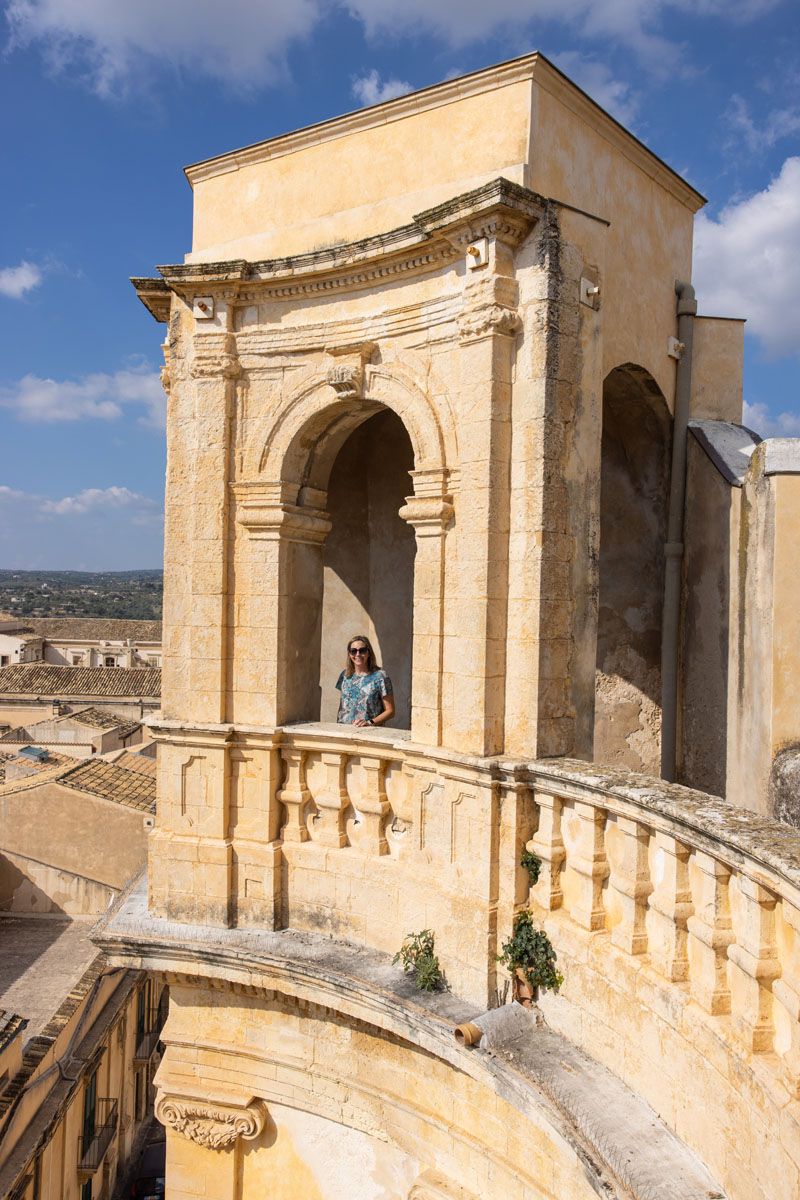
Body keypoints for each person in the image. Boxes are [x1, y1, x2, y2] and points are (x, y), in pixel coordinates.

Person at [335, 635, 395, 728]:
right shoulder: (344, 675)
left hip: (369, 731)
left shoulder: (380, 676)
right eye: (353, 651)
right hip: (344, 730)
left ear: (368, 652)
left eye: (362, 650)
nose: (358, 654)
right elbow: (343, 706)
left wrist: (369, 722)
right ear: (349, 654)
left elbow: (390, 711)